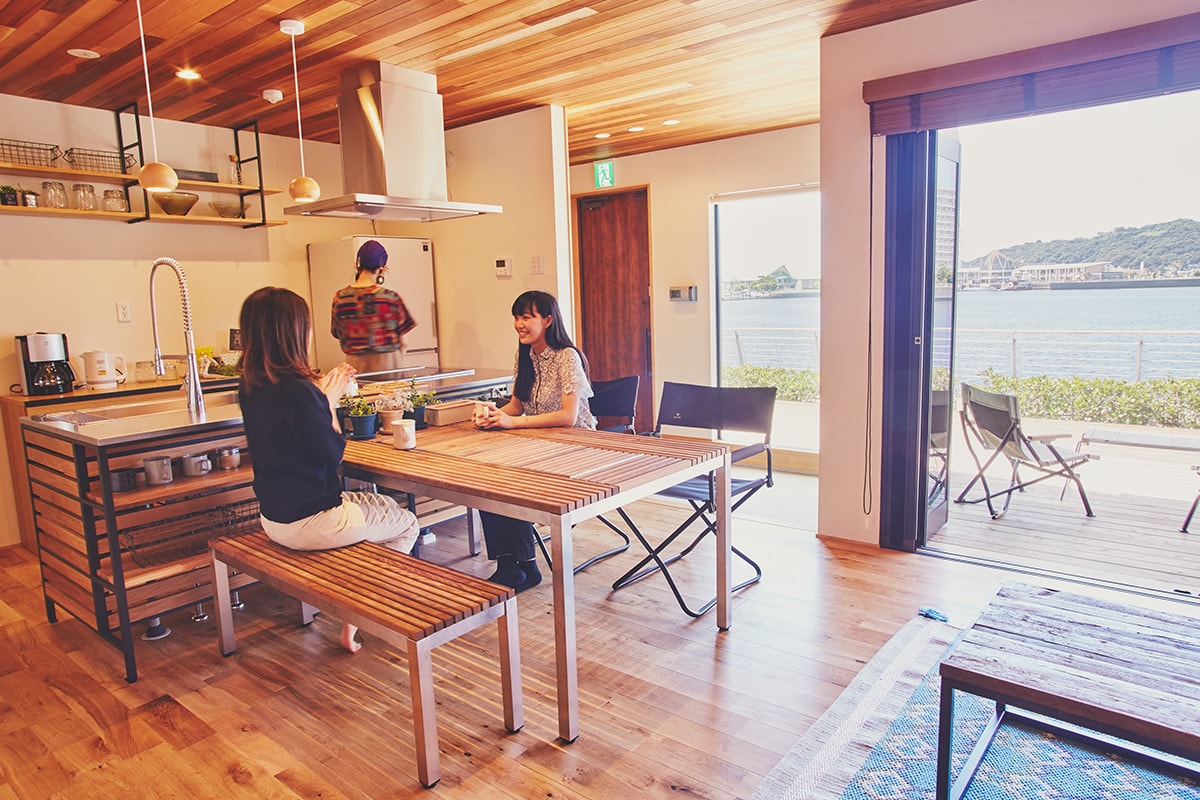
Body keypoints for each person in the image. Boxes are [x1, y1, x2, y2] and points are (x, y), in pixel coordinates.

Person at [238, 286, 419, 653]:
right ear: (291, 331)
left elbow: (292, 432)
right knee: (406, 523)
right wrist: (327, 402)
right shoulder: (298, 390)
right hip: (314, 522)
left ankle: (353, 607)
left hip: (274, 518)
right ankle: (363, 614)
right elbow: (332, 453)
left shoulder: (250, 386)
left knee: (374, 505)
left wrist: (319, 397)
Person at [473, 290, 595, 591]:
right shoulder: (525, 356)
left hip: (576, 447)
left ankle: (526, 566)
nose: (519, 324)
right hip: (537, 442)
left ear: (548, 320)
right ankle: (511, 565)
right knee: (485, 476)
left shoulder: (568, 357)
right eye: (516, 317)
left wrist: (513, 422)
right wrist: (493, 415)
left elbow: (567, 416)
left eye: (526, 317)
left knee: (511, 480)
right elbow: (517, 405)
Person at [330, 239, 417, 377]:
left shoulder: (339, 298)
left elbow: (336, 333)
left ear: (357, 265)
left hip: (355, 368)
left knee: (362, 399)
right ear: (382, 268)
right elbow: (403, 343)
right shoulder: (390, 298)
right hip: (388, 367)